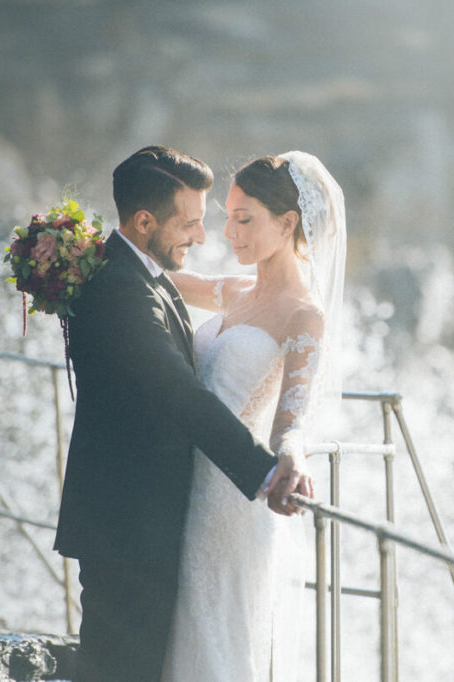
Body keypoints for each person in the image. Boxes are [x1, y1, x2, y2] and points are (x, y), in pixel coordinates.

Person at [53, 145, 312, 682]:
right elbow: (177, 390)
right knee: (122, 666)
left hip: (179, 512)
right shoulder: (125, 289)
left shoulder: (142, 272)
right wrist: (264, 471)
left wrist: (287, 449)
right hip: (130, 520)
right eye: (192, 223)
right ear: (144, 221)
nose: (204, 236)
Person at [161, 151, 346, 681]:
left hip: (228, 501)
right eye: (228, 216)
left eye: (245, 219)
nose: (229, 232)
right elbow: (156, 276)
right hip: (179, 481)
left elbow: (293, 417)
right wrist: (79, 255)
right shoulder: (235, 290)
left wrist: (291, 454)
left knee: (215, 640)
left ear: (287, 224)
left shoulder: (303, 314)